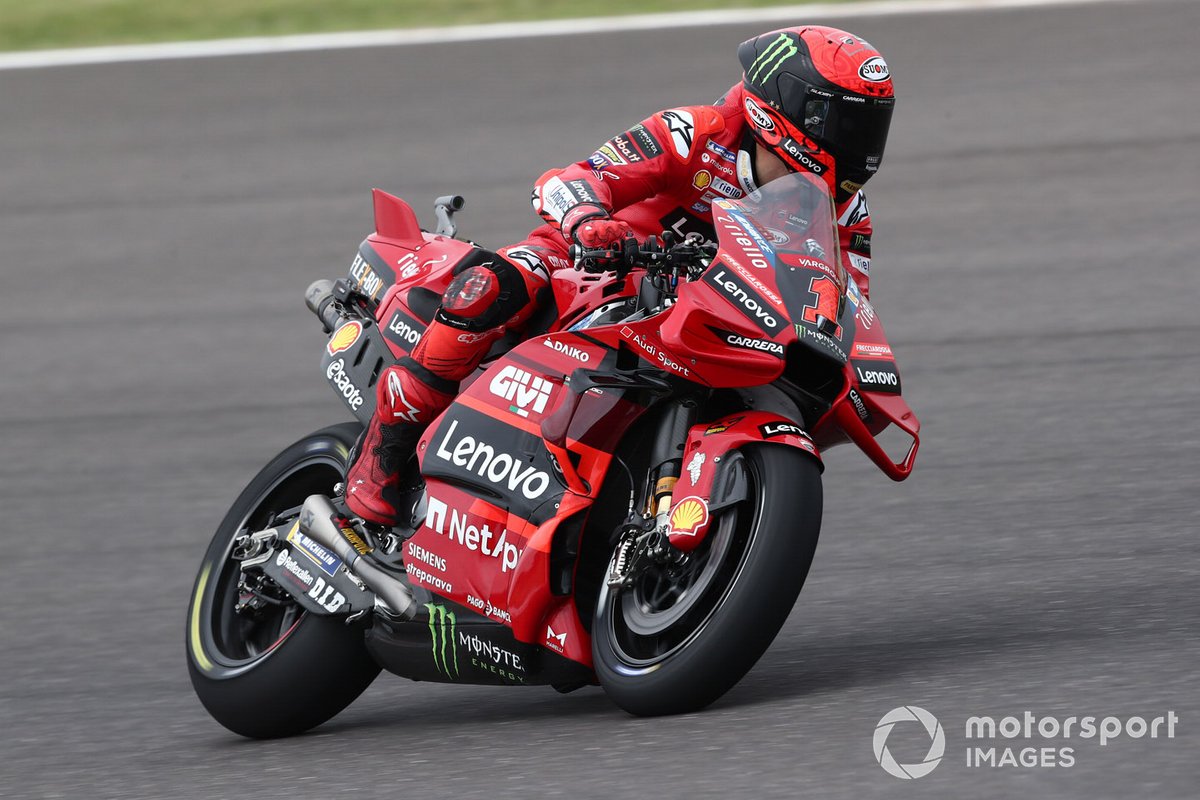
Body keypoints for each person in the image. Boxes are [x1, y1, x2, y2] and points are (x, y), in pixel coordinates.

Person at [344, 24, 896, 526]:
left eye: (872, 127)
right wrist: (589, 223)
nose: (861, 145)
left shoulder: (847, 212)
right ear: (791, 108)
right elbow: (573, 178)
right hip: (595, 265)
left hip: (714, 315)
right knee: (494, 284)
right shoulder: (697, 134)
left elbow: (844, 297)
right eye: (848, 122)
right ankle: (386, 450)